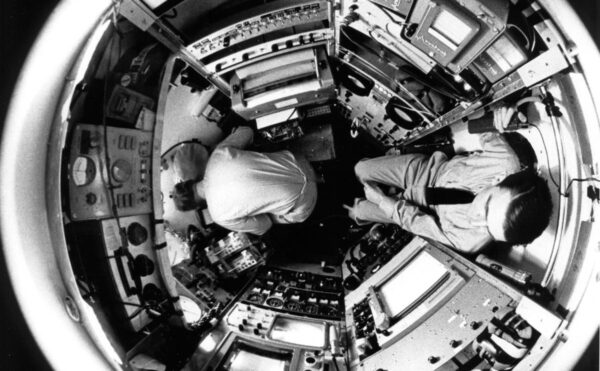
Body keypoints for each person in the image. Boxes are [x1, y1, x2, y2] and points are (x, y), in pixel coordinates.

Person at [346, 107, 553, 254]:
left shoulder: (469, 242)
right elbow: (484, 126)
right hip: (427, 172)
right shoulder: (504, 162)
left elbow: (417, 223)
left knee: (357, 212)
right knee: (360, 169)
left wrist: (382, 200)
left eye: (488, 229)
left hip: (419, 208)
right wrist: (499, 115)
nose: (475, 220)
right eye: (486, 208)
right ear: (500, 180)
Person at [171, 126, 318, 235]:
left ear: (197, 207)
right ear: (190, 181)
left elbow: (264, 226)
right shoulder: (217, 156)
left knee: (266, 217)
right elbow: (247, 132)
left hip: (307, 200)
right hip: (300, 161)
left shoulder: (219, 217)